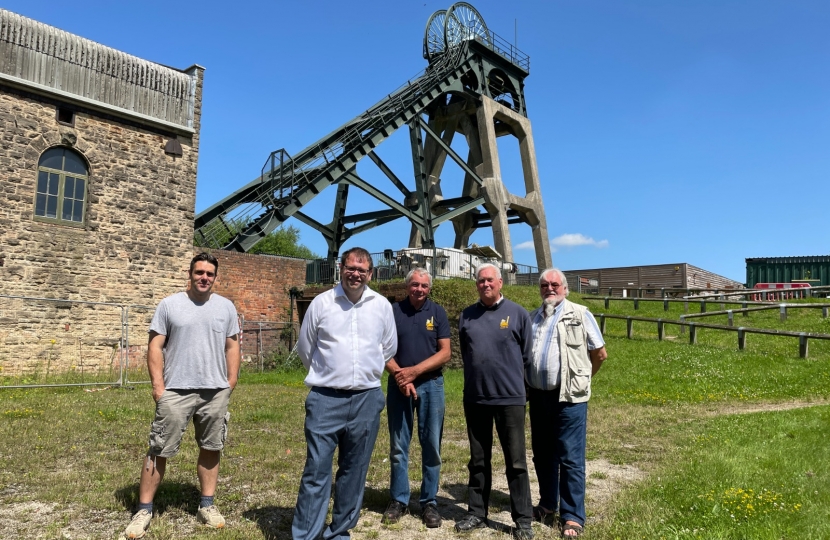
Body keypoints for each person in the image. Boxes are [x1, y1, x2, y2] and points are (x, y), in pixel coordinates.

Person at [122, 252, 241, 539]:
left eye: (209, 274)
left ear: (215, 277)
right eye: (199, 272)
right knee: (159, 448)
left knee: (212, 447)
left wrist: (231, 381)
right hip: (175, 390)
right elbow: (155, 345)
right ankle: (144, 509)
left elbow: (232, 346)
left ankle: (207, 505)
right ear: (189, 274)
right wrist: (158, 386)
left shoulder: (226, 308)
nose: (204, 277)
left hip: (214, 392)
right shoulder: (170, 305)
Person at [292, 247, 397, 540]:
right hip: (326, 398)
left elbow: (388, 348)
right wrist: (329, 374)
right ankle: (306, 535)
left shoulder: (381, 306)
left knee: (355, 470)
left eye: (362, 270)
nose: (356, 274)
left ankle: (339, 532)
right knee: (316, 469)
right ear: (341, 268)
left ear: (370, 274)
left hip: (366, 398)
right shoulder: (322, 304)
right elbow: (305, 348)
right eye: (351, 268)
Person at [456, 263, 534, 539]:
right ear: (476, 285)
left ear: (500, 282)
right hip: (476, 398)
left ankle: (523, 520)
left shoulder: (518, 313)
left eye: (490, 280)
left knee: (516, 462)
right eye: (480, 281)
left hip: (510, 399)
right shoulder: (467, 316)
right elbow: (468, 352)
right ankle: (476, 512)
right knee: (478, 460)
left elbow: (527, 355)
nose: (485, 284)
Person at [527, 268, 607, 538]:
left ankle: (572, 515)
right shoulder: (532, 317)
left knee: (570, 457)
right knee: (542, 453)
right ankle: (548, 504)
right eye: (544, 285)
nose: (549, 288)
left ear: (564, 288)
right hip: (538, 395)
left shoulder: (580, 314)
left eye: (554, 284)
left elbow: (599, 353)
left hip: (569, 397)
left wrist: (582, 379)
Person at [382, 268, 451, 528]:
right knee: (399, 446)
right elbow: (381, 348)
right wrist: (401, 377)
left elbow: (445, 353)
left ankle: (429, 502)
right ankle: (399, 499)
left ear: (429, 288)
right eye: (414, 284)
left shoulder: (438, 312)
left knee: (431, 445)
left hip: (431, 385)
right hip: (399, 386)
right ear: (407, 285)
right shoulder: (393, 311)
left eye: (423, 285)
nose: (419, 289)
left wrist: (414, 372)